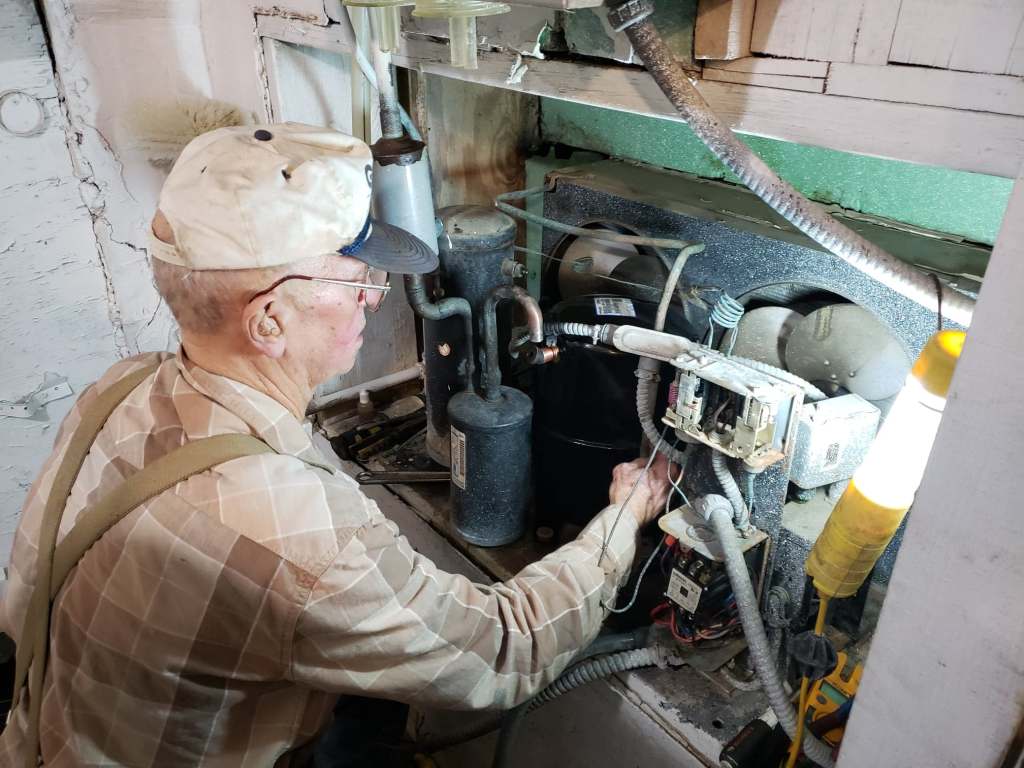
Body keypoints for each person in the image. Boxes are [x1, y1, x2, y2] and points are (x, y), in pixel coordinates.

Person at [0, 123, 670, 766]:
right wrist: (623, 519)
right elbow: (504, 650)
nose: (375, 299)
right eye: (356, 280)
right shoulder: (293, 532)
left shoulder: (119, 388)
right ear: (267, 320)